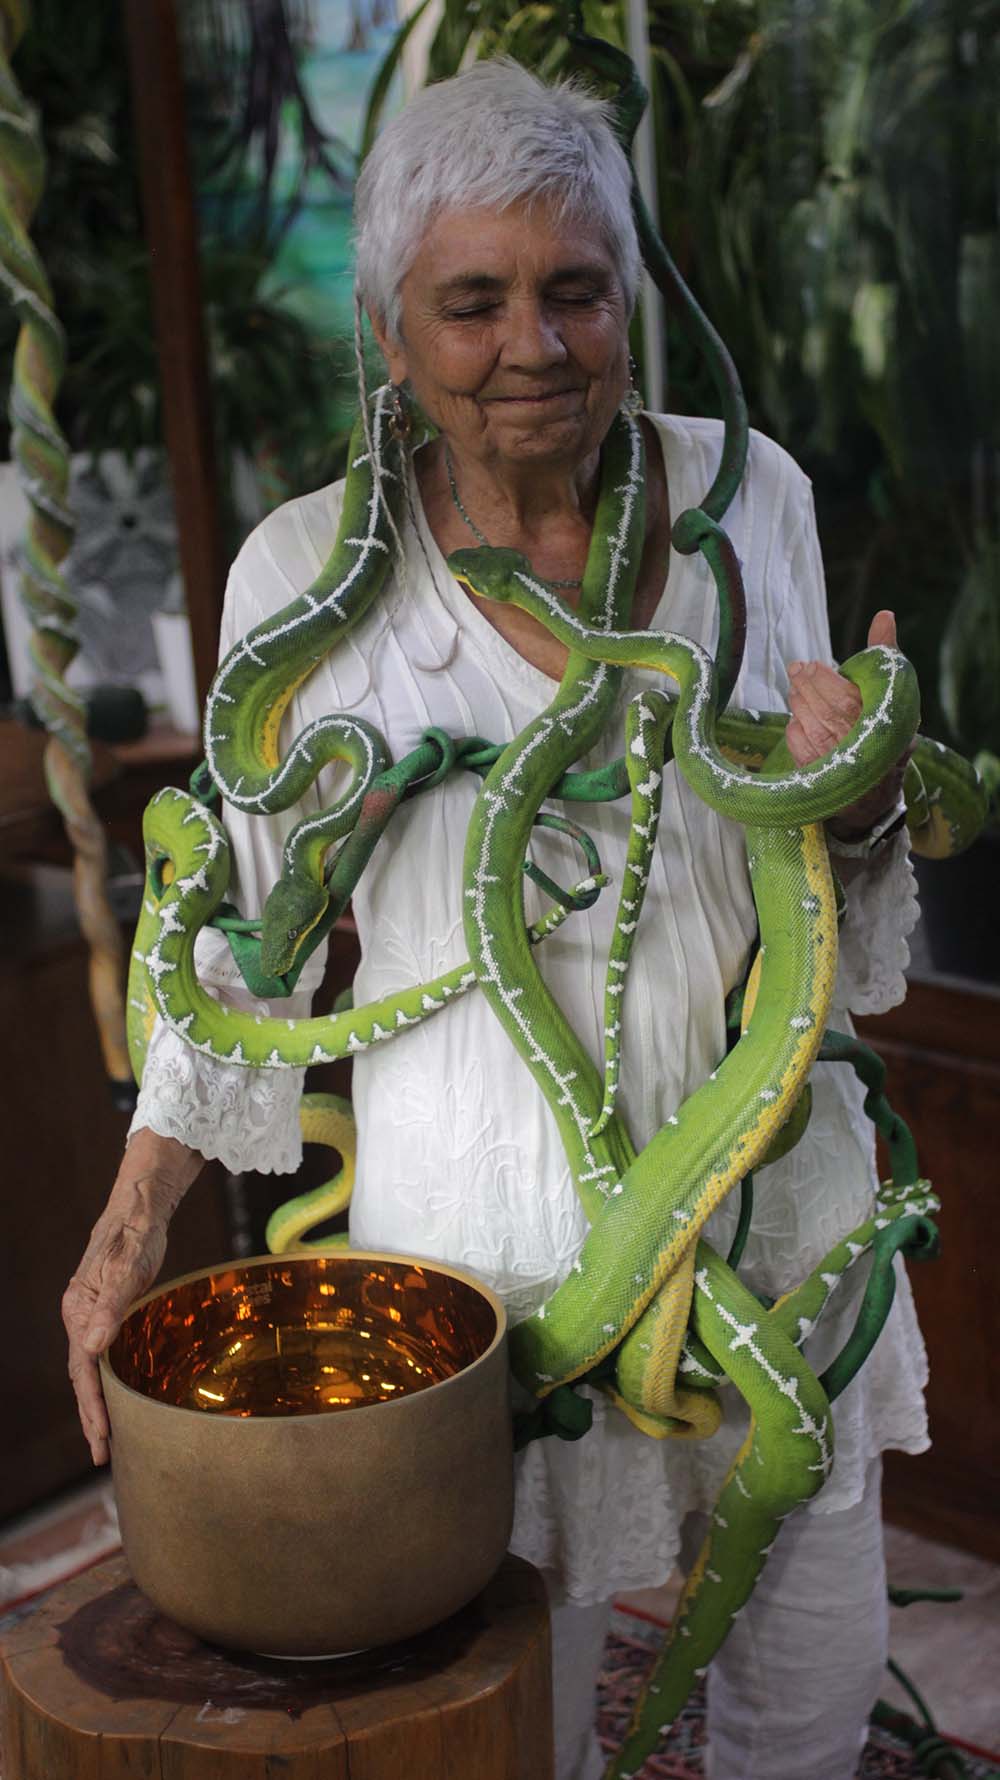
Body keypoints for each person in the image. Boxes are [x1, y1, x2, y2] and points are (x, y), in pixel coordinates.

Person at [63, 58, 925, 1780]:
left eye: (574, 290)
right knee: (498, 1707)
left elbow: (828, 848)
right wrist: (131, 1219)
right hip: (489, 1261)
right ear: (392, 334)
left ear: (629, 306)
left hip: (774, 1206)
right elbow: (238, 940)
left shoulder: (752, 500)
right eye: (472, 303)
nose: (533, 344)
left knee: (809, 1667)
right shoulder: (305, 575)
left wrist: (866, 785)